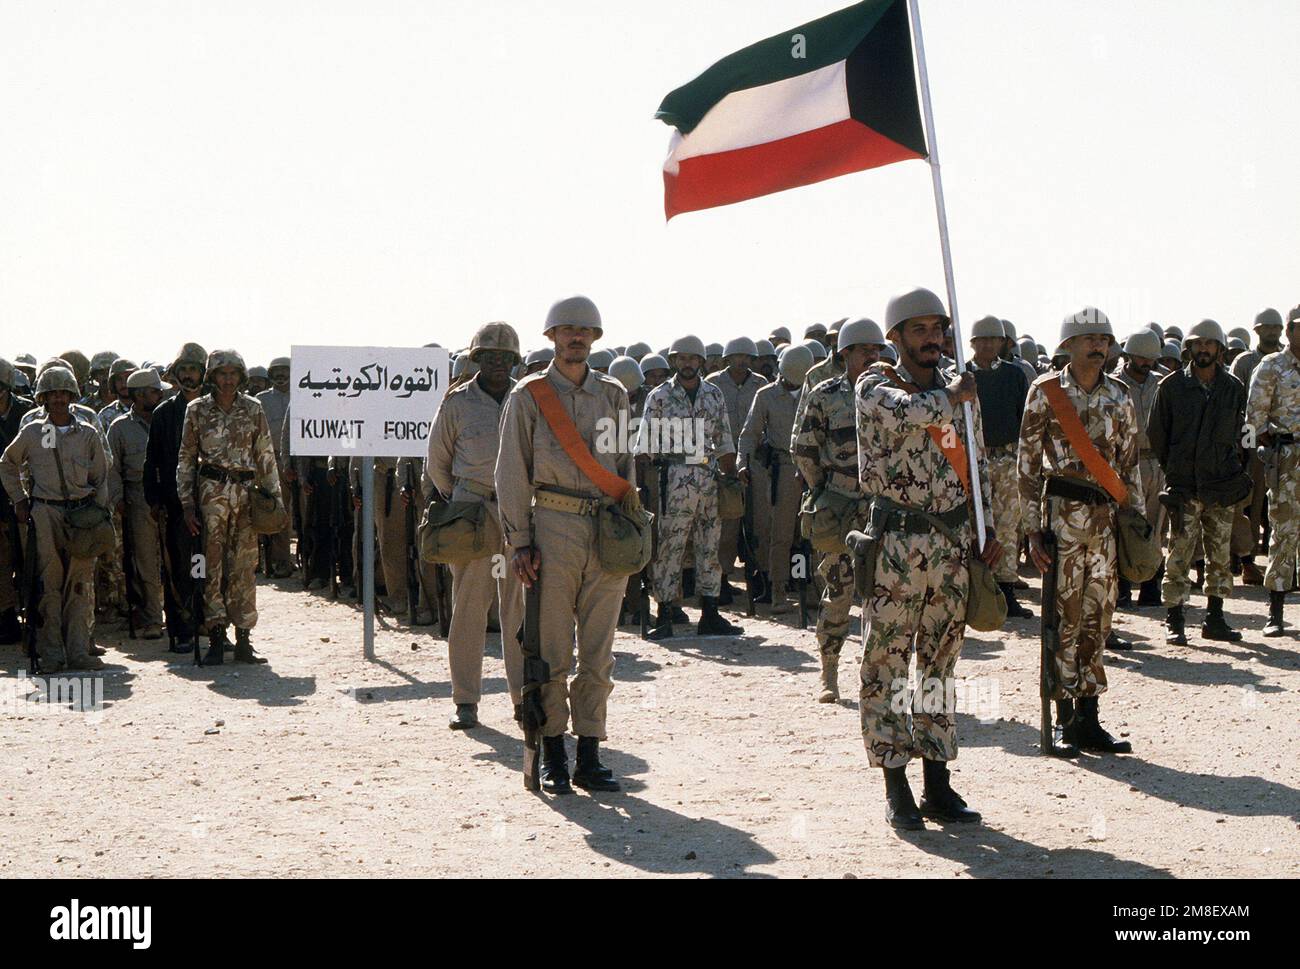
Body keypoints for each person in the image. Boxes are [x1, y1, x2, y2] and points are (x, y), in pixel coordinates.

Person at [855, 290, 997, 829]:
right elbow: (904, 414)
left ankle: (938, 781)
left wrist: (990, 530)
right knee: (887, 664)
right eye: (918, 330)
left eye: (937, 329)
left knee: (940, 663)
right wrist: (955, 396)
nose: (931, 340)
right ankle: (897, 786)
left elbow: (978, 462)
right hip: (896, 546)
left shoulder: (957, 389)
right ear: (895, 338)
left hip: (953, 546)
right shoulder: (874, 384)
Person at [497, 295, 632, 794]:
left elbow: (624, 467)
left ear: (595, 338)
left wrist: (631, 528)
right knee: (551, 648)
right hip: (552, 526)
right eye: (566, 330)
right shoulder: (529, 396)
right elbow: (511, 472)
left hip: (606, 527)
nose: (575, 337)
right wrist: (520, 541)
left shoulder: (614, 395)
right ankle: (554, 751)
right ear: (551, 337)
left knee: (599, 651)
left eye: (584, 330)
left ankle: (590, 753)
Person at [1020, 307, 1142, 758]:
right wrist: (1031, 530)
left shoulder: (1121, 395)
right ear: (1067, 346)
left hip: (1105, 522)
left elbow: (1129, 464)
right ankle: (1062, 717)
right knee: (1063, 617)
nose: (1097, 345)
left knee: (1098, 616)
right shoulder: (1046, 392)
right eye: (1088, 338)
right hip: (1062, 519)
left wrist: (1137, 523)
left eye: (1104, 339)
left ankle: (1089, 718)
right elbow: (1027, 465)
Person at [427, 322, 524, 730]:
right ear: (476, 360)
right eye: (489, 357)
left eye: (505, 358)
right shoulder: (456, 403)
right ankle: (465, 700)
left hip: (518, 515)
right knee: (468, 607)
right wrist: (467, 498)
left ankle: (524, 698)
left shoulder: (530, 397)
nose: (498, 364)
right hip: (473, 514)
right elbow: (437, 464)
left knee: (517, 610)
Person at [792, 319, 887, 705]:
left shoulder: (891, 393)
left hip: (882, 508)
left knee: (884, 595)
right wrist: (823, 490)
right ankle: (828, 671)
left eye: (877, 350)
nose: (873, 356)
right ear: (844, 353)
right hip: (840, 508)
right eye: (864, 350)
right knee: (838, 591)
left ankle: (878, 677)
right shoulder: (823, 393)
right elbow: (803, 447)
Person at [0, 367, 110, 671]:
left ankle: (78, 651)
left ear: (72, 396)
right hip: (45, 512)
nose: (59, 399)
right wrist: (20, 500)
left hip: (81, 514)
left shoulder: (87, 433)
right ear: (43, 398)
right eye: (53, 394)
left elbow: (101, 476)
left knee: (79, 584)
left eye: (64, 393)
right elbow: (8, 464)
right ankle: (52, 652)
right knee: (48, 583)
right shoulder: (32, 432)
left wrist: (99, 514)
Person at [177, 349, 282, 664]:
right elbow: (185, 459)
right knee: (212, 566)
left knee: (244, 567)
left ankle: (244, 638)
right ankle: (217, 637)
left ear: (241, 376)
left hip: (246, 494)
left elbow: (265, 454)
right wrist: (187, 504)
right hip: (211, 493)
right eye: (222, 373)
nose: (227, 379)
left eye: (233, 373)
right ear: (212, 376)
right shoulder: (196, 410)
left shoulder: (253, 409)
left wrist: (275, 499)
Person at [1148, 320, 1249, 645]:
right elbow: (1157, 435)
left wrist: (1233, 471)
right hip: (1185, 487)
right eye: (1198, 344)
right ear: (1189, 348)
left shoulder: (1232, 388)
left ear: (1220, 349)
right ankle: (1174, 620)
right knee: (1179, 554)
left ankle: (1214, 619)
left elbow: (1240, 434)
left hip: (1221, 486)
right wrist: (1175, 469)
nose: (1203, 349)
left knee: (1220, 555)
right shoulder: (1172, 386)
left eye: (1210, 344)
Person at [639, 335, 743, 640]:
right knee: (670, 546)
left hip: (709, 477)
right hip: (673, 478)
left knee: (709, 545)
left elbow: (723, 438)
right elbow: (643, 445)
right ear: (674, 361)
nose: (687, 364)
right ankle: (666, 613)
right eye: (681, 358)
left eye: (693, 358)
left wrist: (731, 476)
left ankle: (710, 613)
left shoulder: (714, 394)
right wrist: (642, 488)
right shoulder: (658, 397)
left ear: (701, 361)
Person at [144, 342, 208, 652]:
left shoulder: (215, 409)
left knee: (205, 564)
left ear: (202, 374)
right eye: (182, 370)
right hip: (176, 506)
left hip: (212, 503)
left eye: (193, 370)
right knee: (179, 566)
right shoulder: (164, 413)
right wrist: (154, 501)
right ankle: (182, 627)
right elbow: (152, 461)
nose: (187, 375)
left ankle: (206, 621)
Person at [968, 316, 1032, 618]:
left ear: (1002, 343)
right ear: (972, 343)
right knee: (974, 525)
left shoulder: (1014, 376)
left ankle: (1006, 589)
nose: (987, 345)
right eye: (981, 340)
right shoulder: (961, 376)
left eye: (993, 340)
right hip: (971, 460)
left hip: (1007, 459)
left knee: (1006, 525)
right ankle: (977, 588)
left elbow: (1026, 419)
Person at [738, 343, 809, 615]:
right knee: (780, 535)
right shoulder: (766, 396)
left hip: (811, 468)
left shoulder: (812, 393)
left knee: (806, 536)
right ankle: (778, 589)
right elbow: (749, 433)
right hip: (782, 468)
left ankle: (807, 586)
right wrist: (742, 463)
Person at [1245, 305, 1300, 636]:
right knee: (1284, 531)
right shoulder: (1272, 367)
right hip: (1287, 457)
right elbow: (1253, 419)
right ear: (1289, 330)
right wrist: (1266, 451)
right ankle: (1276, 611)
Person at [107, 369, 171, 640]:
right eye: (155, 391)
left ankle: (182, 616)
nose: (160, 395)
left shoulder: (167, 419)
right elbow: (112, 469)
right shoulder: (120, 427)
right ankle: (153, 618)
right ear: (140, 394)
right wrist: (118, 499)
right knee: (145, 560)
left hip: (168, 494)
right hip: (137, 498)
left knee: (175, 559)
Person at [706, 337, 765, 605]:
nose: (742, 361)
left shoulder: (760, 385)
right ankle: (721, 580)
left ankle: (762, 579)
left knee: (759, 525)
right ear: (727, 358)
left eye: (747, 357)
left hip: (756, 466)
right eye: (737, 356)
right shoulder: (713, 384)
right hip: (723, 464)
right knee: (727, 527)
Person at [1112, 329, 1168, 604]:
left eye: (1151, 358)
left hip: (1156, 461)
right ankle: (1122, 586)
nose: (1146, 363)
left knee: (1155, 527)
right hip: (1126, 464)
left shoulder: (1162, 384)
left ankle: (1151, 585)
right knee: (1124, 525)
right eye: (1140, 357)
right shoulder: (1113, 385)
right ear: (1128, 356)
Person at [1234, 308, 1287, 583]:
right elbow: (1236, 405)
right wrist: (1242, 446)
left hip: (1285, 446)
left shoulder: (1288, 360)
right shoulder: (1245, 362)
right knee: (1251, 505)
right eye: (1266, 327)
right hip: (1253, 444)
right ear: (1256, 330)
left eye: (1276, 327)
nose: (1272, 332)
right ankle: (1248, 561)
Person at [0, 358, 35, 644]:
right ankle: (7, 618)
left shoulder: (29, 412)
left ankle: (37, 619)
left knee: (32, 560)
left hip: (27, 497)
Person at [256, 357, 295, 577]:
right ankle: (280, 561)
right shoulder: (261, 400)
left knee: (304, 513)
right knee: (278, 511)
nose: (281, 375)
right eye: (276, 371)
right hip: (271, 460)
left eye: (285, 371)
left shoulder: (304, 396)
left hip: (299, 462)